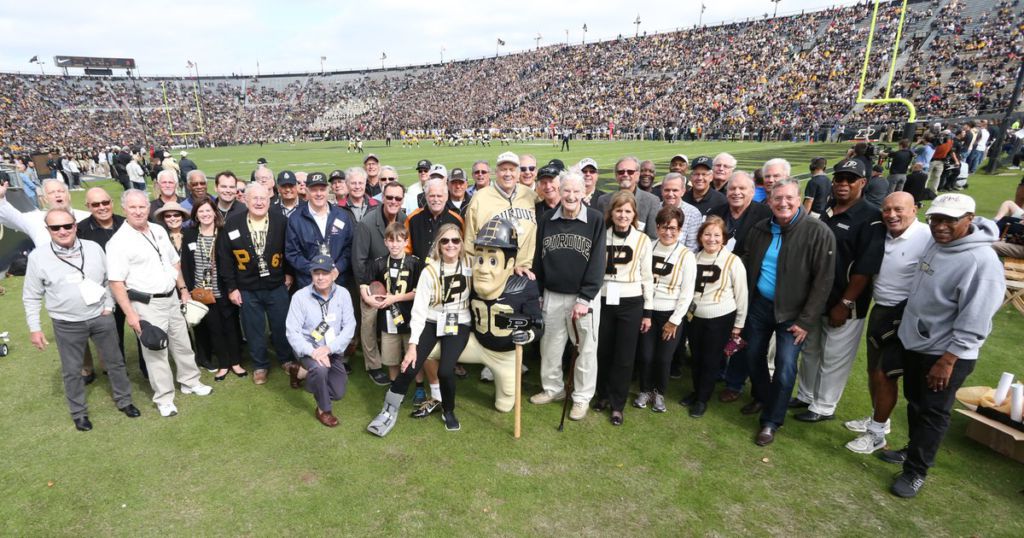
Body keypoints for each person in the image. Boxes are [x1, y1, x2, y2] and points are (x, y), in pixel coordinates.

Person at [883, 193, 1004, 498]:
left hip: (946, 354)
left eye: (950, 220)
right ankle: (913, 450)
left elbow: (976, 319)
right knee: (915, 402)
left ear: (969, 219)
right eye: (936, 219)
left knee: (933, 412)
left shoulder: (982, 261)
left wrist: (948, 360)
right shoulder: (937, 244)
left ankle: (916, 472)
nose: (940, 226)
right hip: (917, 343)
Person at [23, 208, 139, 431]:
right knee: (72, 371)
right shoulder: (38, 257)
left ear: (75, 226)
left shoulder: (93, 248)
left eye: (67, 225)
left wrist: (108, 305)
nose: (63, 231)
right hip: (66, 323)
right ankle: (79, 414)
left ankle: (125, 401)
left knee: (115, 362)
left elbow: (108, 280)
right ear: (48, 230)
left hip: (100, 317)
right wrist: (35, 328)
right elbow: (31, 295)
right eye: (56, 227)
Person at [738, 179, 835, 446]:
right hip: (760, 306)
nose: (783, 203)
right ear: (768, 201)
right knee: (751, 354)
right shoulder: (761, 229)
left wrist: (806, 320)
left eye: (789, 198)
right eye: (777, 198)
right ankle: (762, 396)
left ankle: (771, 421)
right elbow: (747, 260)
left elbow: (823, 280)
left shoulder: (817, 231)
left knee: (784, 367)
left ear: (799, 198)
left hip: (794, 314)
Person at [107, 189, 213, 418]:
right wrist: (131, 316)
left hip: (172, 297)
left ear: (149, 207)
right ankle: (164, 398)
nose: (138, 211)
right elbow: (116, 282)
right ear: (124, 208)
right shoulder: (118, 242)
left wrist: (183, 289)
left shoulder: (158, 230)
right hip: (146, 304)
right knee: (156, 352)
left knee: (183, 343)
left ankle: (190, 381)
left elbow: (173, 263)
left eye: (142, 206)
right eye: (133, 207)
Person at [793, 159, 883, 423]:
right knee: (810, 350)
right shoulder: (830, 209)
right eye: (839, 178)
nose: (843, 184)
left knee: (834, 356)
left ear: (863, 183)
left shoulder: (871, 217)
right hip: (818, 297)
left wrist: (845, 303)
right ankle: (806, 396)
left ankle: (824, 406)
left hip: (845, 302)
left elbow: (864, 269)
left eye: (850, 179)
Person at [843, 192, 930, 454]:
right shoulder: (882, 233)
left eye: (899, 209)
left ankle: (877, 434)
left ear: (914, 209)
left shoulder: (926, 237)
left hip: (905, 315)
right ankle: (878, 421)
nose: (892, 214)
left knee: (885, 375)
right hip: (881, 310)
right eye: (887, 209)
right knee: (873, 372)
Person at [366, 224, 472, 435]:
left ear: (461, 244)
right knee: (410, 365)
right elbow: (420, 310)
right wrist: (413, 346)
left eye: (455, 240)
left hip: (458, 322)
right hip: (432, 321)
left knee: (445, 370)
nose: (450, 245)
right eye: (445, 241)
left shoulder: (470, 264)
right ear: (439, 245)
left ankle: (448, 410)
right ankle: (388, 410)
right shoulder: (429, 270)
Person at [530, 171, 605, 421]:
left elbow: (597, 262)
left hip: (583, 299)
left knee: (585, 349)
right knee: (549, 346)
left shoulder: (595, 219)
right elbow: (538, 258)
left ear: (584, 193)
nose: (571, 196)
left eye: (576, 191)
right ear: (559, 192)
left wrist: (585, 298)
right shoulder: (547, 219)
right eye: (566, 191)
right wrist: (538, 292)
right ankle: (553, 389)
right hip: (552, 294)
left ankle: (582, 397)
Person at [217, 183, 296, 385]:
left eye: (263, 198)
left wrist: (288, 273)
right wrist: (232, 287)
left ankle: (286, 359)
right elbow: (225, 259)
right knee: (253, 329)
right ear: (245, 199)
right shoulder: (232, 224)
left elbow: (289, 250)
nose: (259, 202)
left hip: (276, 284)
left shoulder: (281, 221)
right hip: (247, 287)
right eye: (255, 198)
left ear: (269, 200)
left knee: (281, 325)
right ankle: (260, 364)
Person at [594, 191, 653, 426]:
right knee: (603, 351)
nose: (623, 215)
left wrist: (648, 311)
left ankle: (618, 404)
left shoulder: (643, 240)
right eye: (619, 210)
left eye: (628, 211)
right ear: (612, 212)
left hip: (631, 301)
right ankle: (603, 395)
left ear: (634, 214)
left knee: (625, 356)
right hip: (605, 299)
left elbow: (647, 278)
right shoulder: (601, 235)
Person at [680, 215, 747, 418]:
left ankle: (702, 399)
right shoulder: (694, 258)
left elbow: (742, 293)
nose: (712, 239)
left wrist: (739, 324)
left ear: (724, 238)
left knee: (710, 359)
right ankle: (697, 390)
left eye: (717, 235)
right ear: (700, 237)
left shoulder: (732, 261)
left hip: (720, 317)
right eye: (707, 234)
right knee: (697, 357)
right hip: (696, 316)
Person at [635, 206, 696, 414]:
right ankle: (644, 390)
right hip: (648, 311)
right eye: (663, 227)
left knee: (663, 358)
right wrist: (645, 312)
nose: (668, 232)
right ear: (657, 227)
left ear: (680, 230)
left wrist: (675, 320)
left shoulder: (686, 255)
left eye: (673, 228)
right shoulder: (648, 247)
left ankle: (659, 392)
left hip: (671, 314)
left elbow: (687, 292)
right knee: (645, 355)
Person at [285, 254, 357, 427]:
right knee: (320, 369)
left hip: (332, 350)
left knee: (338, 392)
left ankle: (300, 372)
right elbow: (292, 332)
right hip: (308, 349)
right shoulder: (300, 297)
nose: (320, 277)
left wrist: (329, 348)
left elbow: (349, 327)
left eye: (324, 273)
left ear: (334, 274)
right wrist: (313, 352)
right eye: (316, 273)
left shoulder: (343, 294)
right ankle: (323, 410)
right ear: (311, 275)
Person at [180, 198, 246, 381]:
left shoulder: (224, 232)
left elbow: (233, 260)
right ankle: (224, 364)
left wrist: (233, 286)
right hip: (202, 292)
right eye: (201, 212)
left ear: (214, 212)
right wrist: (189, 290)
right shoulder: (190, 234)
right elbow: (185, 264)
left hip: (224, 289)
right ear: (196, 215)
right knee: (214, 329)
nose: (205, 215)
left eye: (208, 211)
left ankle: (236, 362)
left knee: (231, 326)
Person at [353, 181, 408, 386]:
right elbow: (359, 260)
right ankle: (373, 365)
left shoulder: (404, 218)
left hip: (398, 279)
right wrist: (364, 289)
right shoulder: (367, 223)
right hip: (373, 280)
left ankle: (400, 357)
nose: (394, 201)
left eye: (398, 198)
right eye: (390, 197)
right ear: (382, 198)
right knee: (369, 320)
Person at [362, 222, 423, 381]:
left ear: (406, 242)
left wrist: (394, 298)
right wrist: (370, 298)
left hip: (409, 315)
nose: (395, 244)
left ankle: (419, 387)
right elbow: (365, 285)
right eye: (391, 240)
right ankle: (394, 385)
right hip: (388, 317)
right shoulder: (378, 263)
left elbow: (419, 293)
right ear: (385, 242)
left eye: (399, 240)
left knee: (412, 353)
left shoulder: (415, 263)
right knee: (391, 358)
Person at [464, 152, 538, 270]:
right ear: (496, 172)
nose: (508, 174)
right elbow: (469, 243)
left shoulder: (530, 195)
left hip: (526, 271)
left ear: (518, 173)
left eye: (512, 169)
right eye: (503, 169)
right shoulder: (479, 198)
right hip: (492, 272)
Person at [285, 171, 354, 290]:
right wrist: (314, 271)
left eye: (322, 189)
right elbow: (292, 253)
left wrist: (337, 268)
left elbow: (349, 247)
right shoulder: (295, 219)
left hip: (338, 282)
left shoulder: (342, 216)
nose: (318, 194)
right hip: (308, 283)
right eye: (314, 190)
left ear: (328, 191)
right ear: (306, 191)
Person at [595, 157, 660, 239]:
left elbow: (652, 237)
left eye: (630, 172)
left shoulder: (652, 201)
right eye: (621, 172)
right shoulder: (603, 200)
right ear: (616, 175)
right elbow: (600, 235)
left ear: (637, 175)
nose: (625, 174)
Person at [710, 171, 772, 256]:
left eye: (742, 188)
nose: (736, 192)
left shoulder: (766, 214)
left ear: (752, 192)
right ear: (727, 191)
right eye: (732, 188)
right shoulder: (715, 213)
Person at [406, 177, 464, 260]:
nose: (436, 199)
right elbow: (406, 250)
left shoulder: (456, 220)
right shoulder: (412, 219)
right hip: (419, 271)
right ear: (426, 196)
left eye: (439, 196)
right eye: (432, 196)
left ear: (446, 197)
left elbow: (462, 250)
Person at [658, 172, 703, 251]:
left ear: (683, 191)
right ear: (661, 190)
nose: (670, 194)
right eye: (667, 190)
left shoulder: (693, 213)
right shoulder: (655, 208)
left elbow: (692, 247)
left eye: (675, 190)